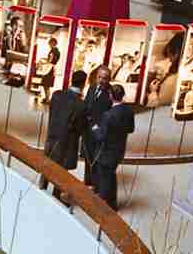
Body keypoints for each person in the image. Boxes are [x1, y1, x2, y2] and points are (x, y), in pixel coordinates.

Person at [41, 68, 88, 203]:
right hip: (67, 144)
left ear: (71, 80)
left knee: (47, 167)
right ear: (83, 84)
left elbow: (52, 114)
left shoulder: (56, 95)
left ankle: (41, 188)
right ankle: (55, 198)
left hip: (51, 137)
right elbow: (81, 128)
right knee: (61, 173)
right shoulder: (81, 105)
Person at [91, 83, 137, 210]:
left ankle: (104, 205)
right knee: (111, 175)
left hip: (106, 151)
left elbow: (101, 136)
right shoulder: (129, 111)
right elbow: (131, 129)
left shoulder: (108, 115)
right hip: (119, 149)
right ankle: (112, 203)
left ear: (111, 96)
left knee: (105, 179)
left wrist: (95, 129)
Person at [78, 72, 113, 183]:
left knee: (97, 160)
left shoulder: (110, 92)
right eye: (99, 77)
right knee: (88, 159)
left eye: (104, 78)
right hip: (87, 130)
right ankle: (87, 182)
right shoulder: (92, 88)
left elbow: (109, 113)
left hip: (99, 131)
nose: (101, 80)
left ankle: (95, 185)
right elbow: (87, 104)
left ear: (109, 79)